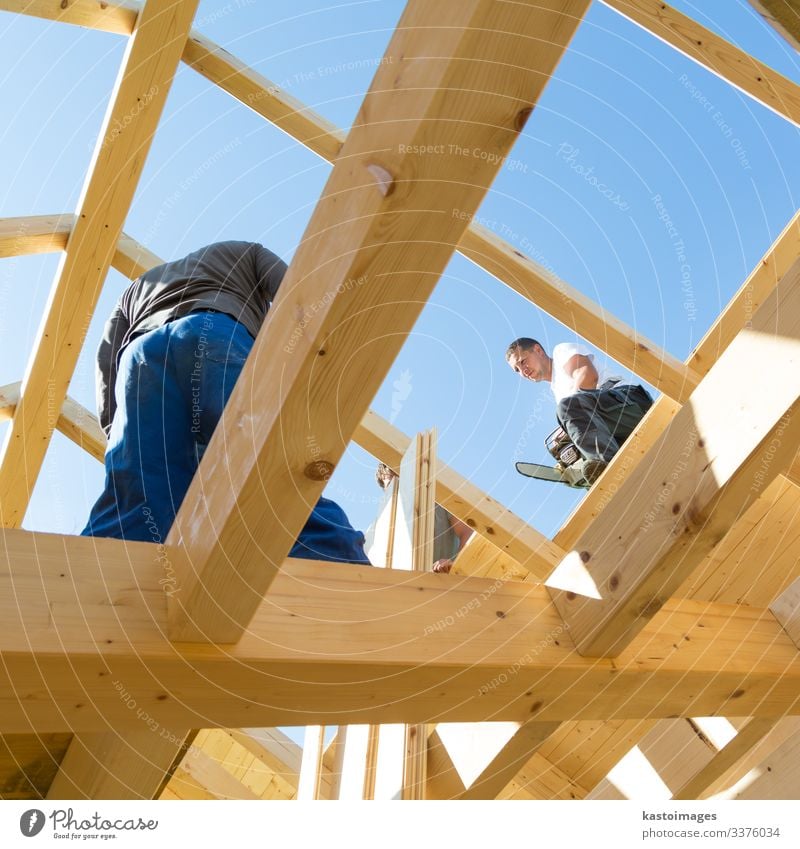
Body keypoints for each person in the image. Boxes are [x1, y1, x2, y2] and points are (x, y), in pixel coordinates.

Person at [83, 240, 370, 565]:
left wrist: (119, 435)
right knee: (264, 464)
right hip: (215, 335)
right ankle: (334, 559)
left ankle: (97, 580)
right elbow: (298, 296)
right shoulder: (245, 252)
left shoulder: (135, 288)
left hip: (142, 356)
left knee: (139, 492)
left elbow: (107, 362)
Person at [505, 337, 653, 483]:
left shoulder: (561, 352)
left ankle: (606, 472)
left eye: (523, 361)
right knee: (576, 447)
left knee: (567, 410)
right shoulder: (558, 391)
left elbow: (588, 375)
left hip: (630, 404)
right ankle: (587, 472)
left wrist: (569, 426)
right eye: (517, 370)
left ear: (538, 350)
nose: (523, 371)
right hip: (616, 427)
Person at [375, 462, 472, 573]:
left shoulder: (439, 500)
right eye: (391, 487)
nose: (398, 490)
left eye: (401, 482)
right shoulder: (388, 525)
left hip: (448, 581)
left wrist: (455, 565)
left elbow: (467, 533)